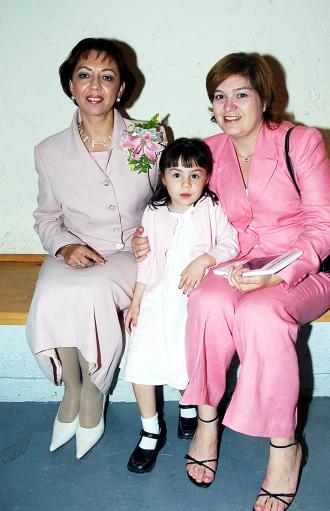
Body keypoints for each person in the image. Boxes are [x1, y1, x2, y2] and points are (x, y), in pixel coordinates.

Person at [133, 52, 330, 510]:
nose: (228, 106)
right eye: (219, 96)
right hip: (235, 266)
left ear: (264, 97)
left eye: (241, 94)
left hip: (304, 268)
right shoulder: (210, 149)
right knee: (205, 302)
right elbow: (177, 202)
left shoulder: (301, 141)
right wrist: (143, 236)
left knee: (263, 317)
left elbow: (327, 223)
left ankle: (285, 448)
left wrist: (278, 274)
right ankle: (208, 421)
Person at [27, 38, 161, 460]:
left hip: (129, 255)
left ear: (122, 88)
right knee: (53, 292)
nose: (95, 85)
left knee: (90, 293)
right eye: (84, 75)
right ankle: (71, 389)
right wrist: (65, 247)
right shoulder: (48, 151)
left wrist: (152, 235)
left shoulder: (150, 139)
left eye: (108, 76)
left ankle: (93, 394)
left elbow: (168, 202)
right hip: (74, 252)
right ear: (70, 84)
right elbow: (46, 218)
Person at [122, 138, 238, 474]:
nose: (185, 184)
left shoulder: (212, 208)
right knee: (142, 357)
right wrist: (136, 301)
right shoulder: (154, 213)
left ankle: (189, 408)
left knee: (189, 359)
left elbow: (230, 241)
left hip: (193, 299)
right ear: (162, 178)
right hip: (158, 297)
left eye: (194, 175)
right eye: (176, 175)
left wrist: (205, 259)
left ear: (206, 178)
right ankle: (150, 429)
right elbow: (147, 260)